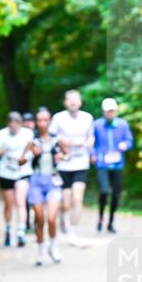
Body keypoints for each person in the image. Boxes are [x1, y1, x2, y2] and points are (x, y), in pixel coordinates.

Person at [49, 90, 94, 245]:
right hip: (64, 164)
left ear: (80, 102)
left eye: (76, 100)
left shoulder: (87, 118)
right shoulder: (58, 118)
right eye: (70, 100)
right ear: (65, 102)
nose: (73, 103)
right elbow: (51, 137)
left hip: (81, 162)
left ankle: (73, 232)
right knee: (66, 202)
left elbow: (91, 136)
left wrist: (89, 144)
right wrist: (61, 144)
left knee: (77, 198)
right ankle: (64, 218)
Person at [0, 112, 35, 247]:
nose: (13, 126)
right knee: (9, 203)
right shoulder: (2, 134)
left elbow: (33, 150)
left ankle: (20, 232)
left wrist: (24, 158)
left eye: (16, 123)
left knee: (21, 201)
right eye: (11, 123)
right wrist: (3, 150)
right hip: (6, 173)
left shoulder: (28, 134)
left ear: (20, 124)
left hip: (23, 172)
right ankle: (8, 228)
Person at [26, 108, 64, 265]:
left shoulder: (57, 139)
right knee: (40, 219)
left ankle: (53, 247)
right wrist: (31, 154)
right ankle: (41, 250)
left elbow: (66, 154)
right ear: (36, 122)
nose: (42, 123)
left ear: (50, 121)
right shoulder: (32, 141)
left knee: (52, 217)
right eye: (40, 120)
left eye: (45, 120)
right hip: (36, 181)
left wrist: (62, 156)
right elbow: (20, 160)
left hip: (53, 181)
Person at [93, 98, 134, 234]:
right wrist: (92, 154)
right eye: (107, 111)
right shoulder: (97, 125)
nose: (110, 114)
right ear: (103, 112)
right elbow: (91, 142)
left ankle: (110, 222)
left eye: (112, 111)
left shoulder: (122, 124)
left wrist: (125, 145)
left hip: (117, 164)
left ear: (115, 111)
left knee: (116, 195)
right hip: (102, 164)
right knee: (104, 191)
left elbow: (129, 140)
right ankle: (100, 217)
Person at [22, 112, 37, 233]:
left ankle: (37, 222)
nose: (28, 123)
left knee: (37, 199)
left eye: (30, 121)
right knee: (26, 199)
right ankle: (27, 223)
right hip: (25, 172)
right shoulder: (20, 137)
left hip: (37, 172)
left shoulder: (38, 136)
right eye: (25, 121)